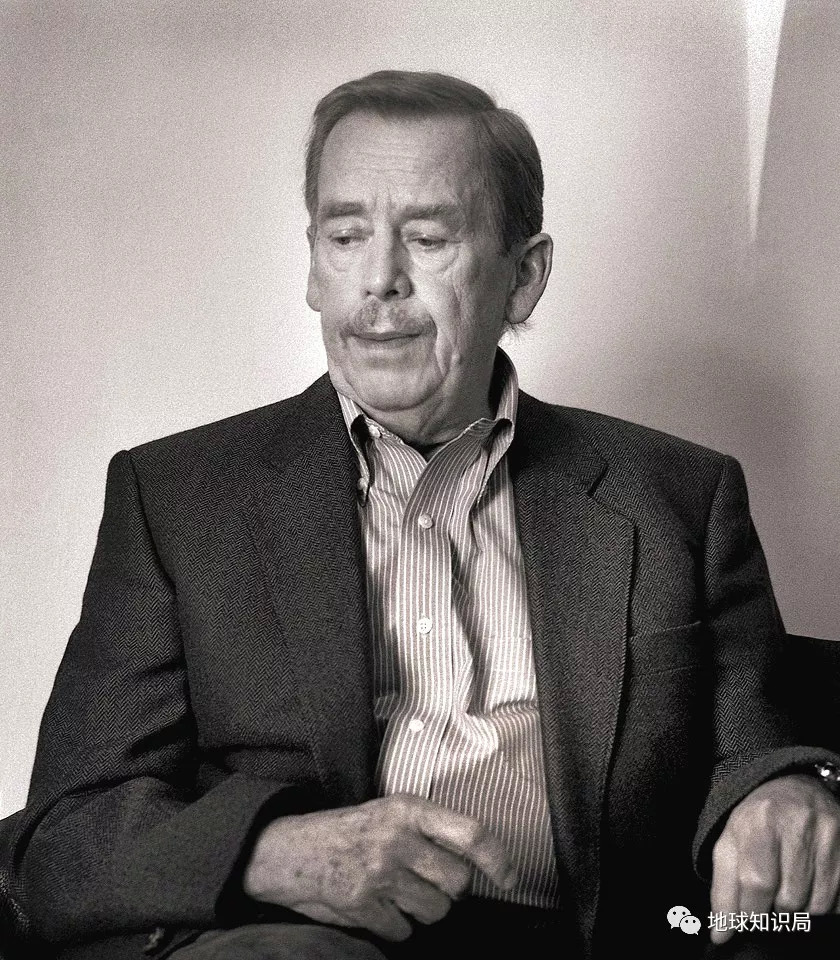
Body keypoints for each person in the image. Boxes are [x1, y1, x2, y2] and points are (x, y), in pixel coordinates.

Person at [9, 70, 840, 960]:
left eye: (428, 238)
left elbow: (762, 752)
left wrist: (789, 790)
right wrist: (267, 853)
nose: (379, 281)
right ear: (313, 267)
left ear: (524, 277)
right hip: (300, 943)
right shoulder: (178, 499)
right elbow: (61, 840)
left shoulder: (679, 494)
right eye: (345, 236)